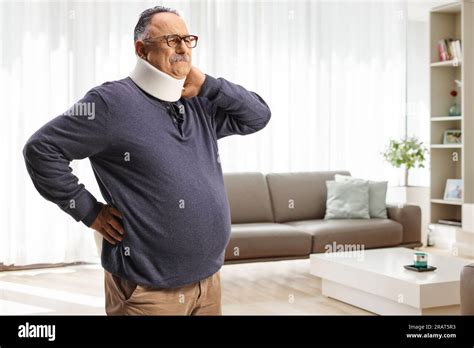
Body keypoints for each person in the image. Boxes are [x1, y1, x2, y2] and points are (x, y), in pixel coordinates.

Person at [23, 5, 271, 315]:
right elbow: (41, 149)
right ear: (141, 50)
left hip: (208, 281)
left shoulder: (198, 101)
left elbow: (259, 116)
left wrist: (209, 84)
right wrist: (89, 212)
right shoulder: (110, 103)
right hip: (146, 289)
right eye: (171, 40)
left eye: (187, 39)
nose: (182, 47)